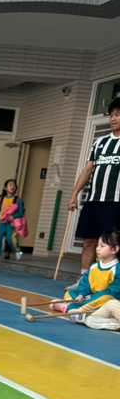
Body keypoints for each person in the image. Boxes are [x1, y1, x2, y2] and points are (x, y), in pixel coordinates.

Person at [66, 96, 120, 287]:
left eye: (118, 114)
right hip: (92, 201)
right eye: (111, 115)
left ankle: (107, 282)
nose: (113, 118)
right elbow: (88, 169)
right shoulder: (99, 142)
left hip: (115, 203)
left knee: (109, 244)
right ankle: (84, 281)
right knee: (88, 242)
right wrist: (74, 194)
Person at [49, 229, 120, 322]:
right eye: (98, 245)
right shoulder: (94, 266)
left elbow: (114, 291)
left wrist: (93, 296)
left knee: (105, 299)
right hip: (90, 297)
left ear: (115, 249)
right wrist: (81, 294)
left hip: (105, 297)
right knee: (70, 292)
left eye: (102, 246)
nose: (97, 248)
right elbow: (85, 283)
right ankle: (76, 308)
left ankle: (71, 307)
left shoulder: (117, 268)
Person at [0, 179, 24, 261]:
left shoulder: (17, 199)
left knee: (10, 238)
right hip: (2, 222)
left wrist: (14, 217)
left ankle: (18, 251)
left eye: (14, 185)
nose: (12, 187)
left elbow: (21, 211)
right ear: (5, 188)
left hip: (12, 223)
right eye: (10, 185)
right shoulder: (2, 199)